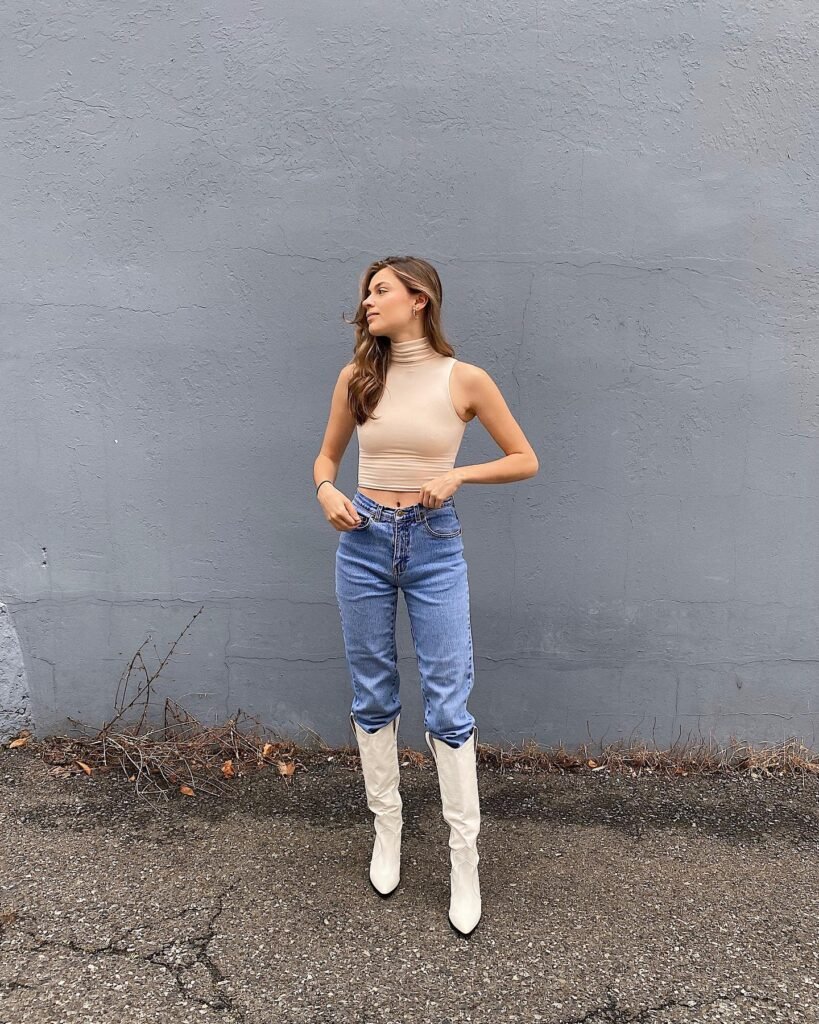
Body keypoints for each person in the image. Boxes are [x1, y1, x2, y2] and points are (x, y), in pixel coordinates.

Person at [313, 255, 539, 937]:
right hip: (363, 541)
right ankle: (388, 832)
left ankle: (461, 860)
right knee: (372, 694)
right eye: (365, 293)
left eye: (378, 290)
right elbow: (326, 459)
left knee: (446, 699)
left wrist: (458, 475)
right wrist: (326, 491)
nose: (367, 302)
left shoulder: (462, 378)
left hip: (434, 544)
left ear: (419, 298)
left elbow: (523, 457)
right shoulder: (357, 378)